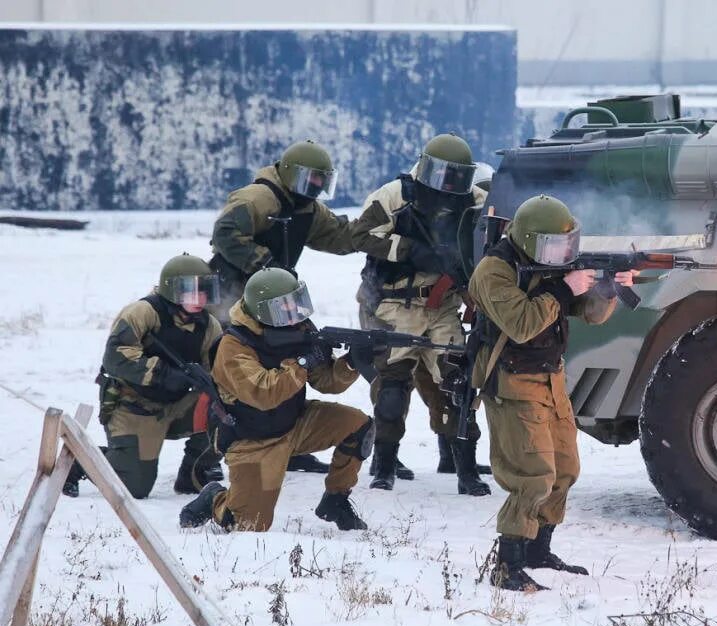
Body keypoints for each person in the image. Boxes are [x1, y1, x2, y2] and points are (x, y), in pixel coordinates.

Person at [468, 195, 636, 591]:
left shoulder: (548, 264)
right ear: (529, 240)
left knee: (564, 470)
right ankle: (507, 565)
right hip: (512, 381)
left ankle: (537, 551)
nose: (562, 255)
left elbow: (591, 315)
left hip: (550, 378)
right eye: (554, 247)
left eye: (566, 246)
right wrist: (564, 290)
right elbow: (523, 323)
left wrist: (608, 289)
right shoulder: (493, 271)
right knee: (533, 476)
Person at [179, 268, 374, 532]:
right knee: (248, 525)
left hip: (294, 422)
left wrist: (352, 363)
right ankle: (214, 498)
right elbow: (264, 393)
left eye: (297, 303)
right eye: (285, 308)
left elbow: (326, 382)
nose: (294, 313)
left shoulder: (297, 328)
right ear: (264, 312)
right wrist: (303, 362)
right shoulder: (233, 346)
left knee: (358, 426)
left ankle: (335, 501)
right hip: (252, 439)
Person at [350, 134, 490, 495]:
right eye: (443, 174)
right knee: (392, 388)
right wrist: (411, 251)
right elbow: (361, 235)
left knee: (459, 382)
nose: (448, 184)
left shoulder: (474, 200)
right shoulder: (395, 195)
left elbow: (494, 233)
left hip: (442, 305)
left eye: (456, 176)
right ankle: (383, 465)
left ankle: (466, 469)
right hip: (395, 303)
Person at [209, 138, 353, 474]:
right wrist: (266, 263)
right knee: (219, 373)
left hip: (275, 302)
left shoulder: (307, 209)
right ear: (290, 174)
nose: (315, 187)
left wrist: (373, 233)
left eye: (321, 181)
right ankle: (204, 456)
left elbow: (338, 235)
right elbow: (226, 233)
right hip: (231, 299)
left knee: (288, 360)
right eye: (310, 180)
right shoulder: (259, 198)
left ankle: (290, 444)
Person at [63, 254, 224, 499]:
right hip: (133, 406)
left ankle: (195, 473)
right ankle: (80, 460)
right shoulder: (142, 312)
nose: (200, 299)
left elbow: (214, 369)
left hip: (176, 403)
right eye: (192, 292)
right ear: (172, 289)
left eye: (204, 292)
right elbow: (115, 357)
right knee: (134, 488)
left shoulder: (209, 326)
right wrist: (162, 374)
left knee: (223, 408)